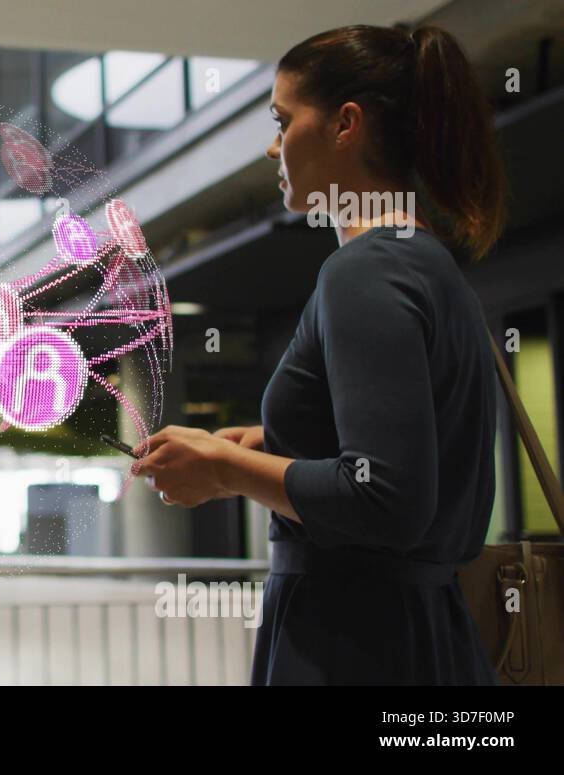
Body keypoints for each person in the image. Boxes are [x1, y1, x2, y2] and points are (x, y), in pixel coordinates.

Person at [130, 25, 505, 684]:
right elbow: (409, 450)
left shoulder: (363, 271)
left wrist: (223, 467)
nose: (274, 146)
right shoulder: (424, 263)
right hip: (425, 637)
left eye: (283, 120)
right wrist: (272, 440)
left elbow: (386, 496)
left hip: (353, 644)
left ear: (345, 125)